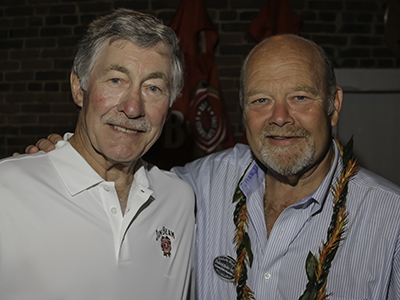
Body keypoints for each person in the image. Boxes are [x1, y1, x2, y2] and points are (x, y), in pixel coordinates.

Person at [26, 35, 400, 299]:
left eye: (300, 97)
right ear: (243, 111)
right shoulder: (197, 185)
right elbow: (119, 178)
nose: (280, 117)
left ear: (333, 104)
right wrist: (61, 157)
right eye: (261, 100)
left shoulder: (391, 219)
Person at [0, 8, 195, 300]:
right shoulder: (8, 191)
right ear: (79, 88)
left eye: (153, 88)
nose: (133, 108)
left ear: (168, 108)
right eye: (116, 80)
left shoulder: (178, 200)